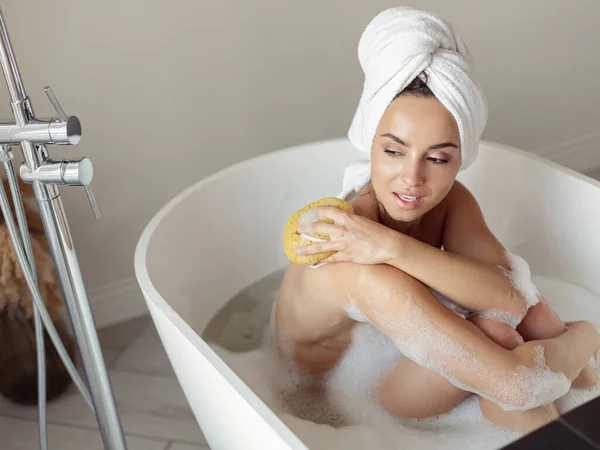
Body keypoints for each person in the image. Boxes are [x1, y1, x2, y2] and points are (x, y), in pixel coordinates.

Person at [272, 7, 599, 433]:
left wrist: (393, 246)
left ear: (461, 159)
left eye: (438, 157)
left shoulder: (449, 202)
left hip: (407, 343)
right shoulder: (348, 254)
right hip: (345, 390)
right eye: (393, 151)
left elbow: (513, 296)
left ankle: (583, 404)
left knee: (527, 321)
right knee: (505, 347)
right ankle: (586, 376)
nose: (412, 178)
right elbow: (519, 388)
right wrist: (587, 334)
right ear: (369, 141)